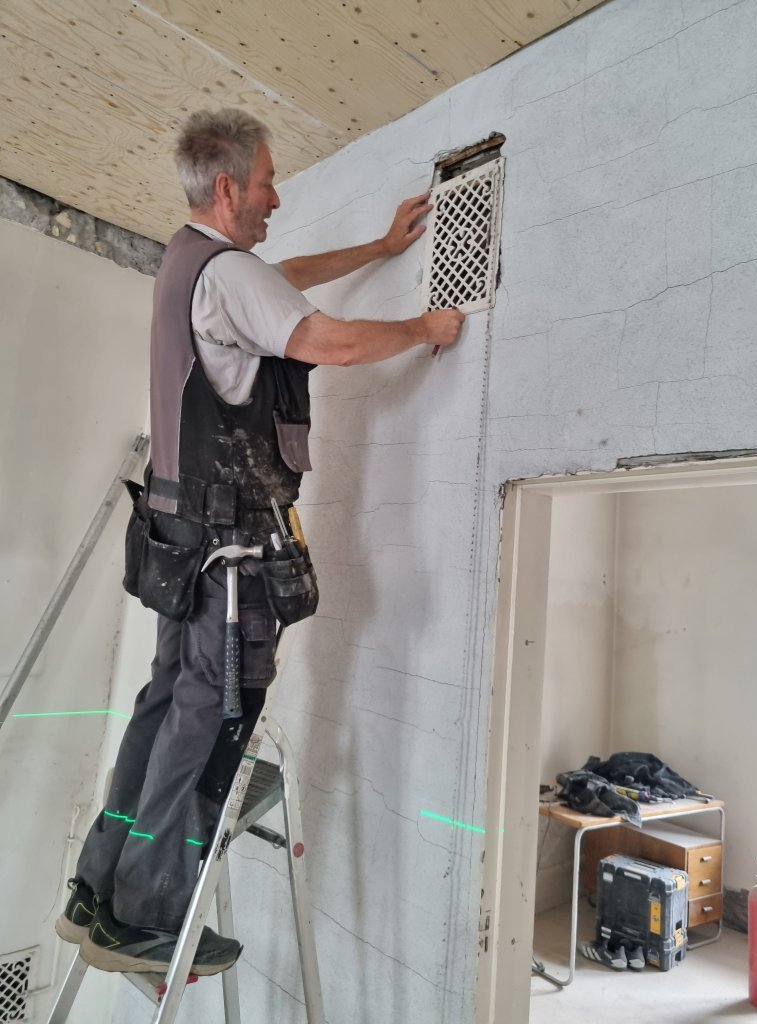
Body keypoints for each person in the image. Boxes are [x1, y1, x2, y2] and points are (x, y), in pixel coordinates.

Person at [54, 108, 464, 976]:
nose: (277, 197)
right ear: (229, 186)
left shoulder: (188, 261)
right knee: (208, 718)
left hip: (177, 536)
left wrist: (378, 249)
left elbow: (282, 280)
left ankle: (100, 883)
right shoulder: (231, 274)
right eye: (269, 181)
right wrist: (424, 329)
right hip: (228, 550)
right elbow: (332, 343)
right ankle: (147, 913)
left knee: (165, 703)